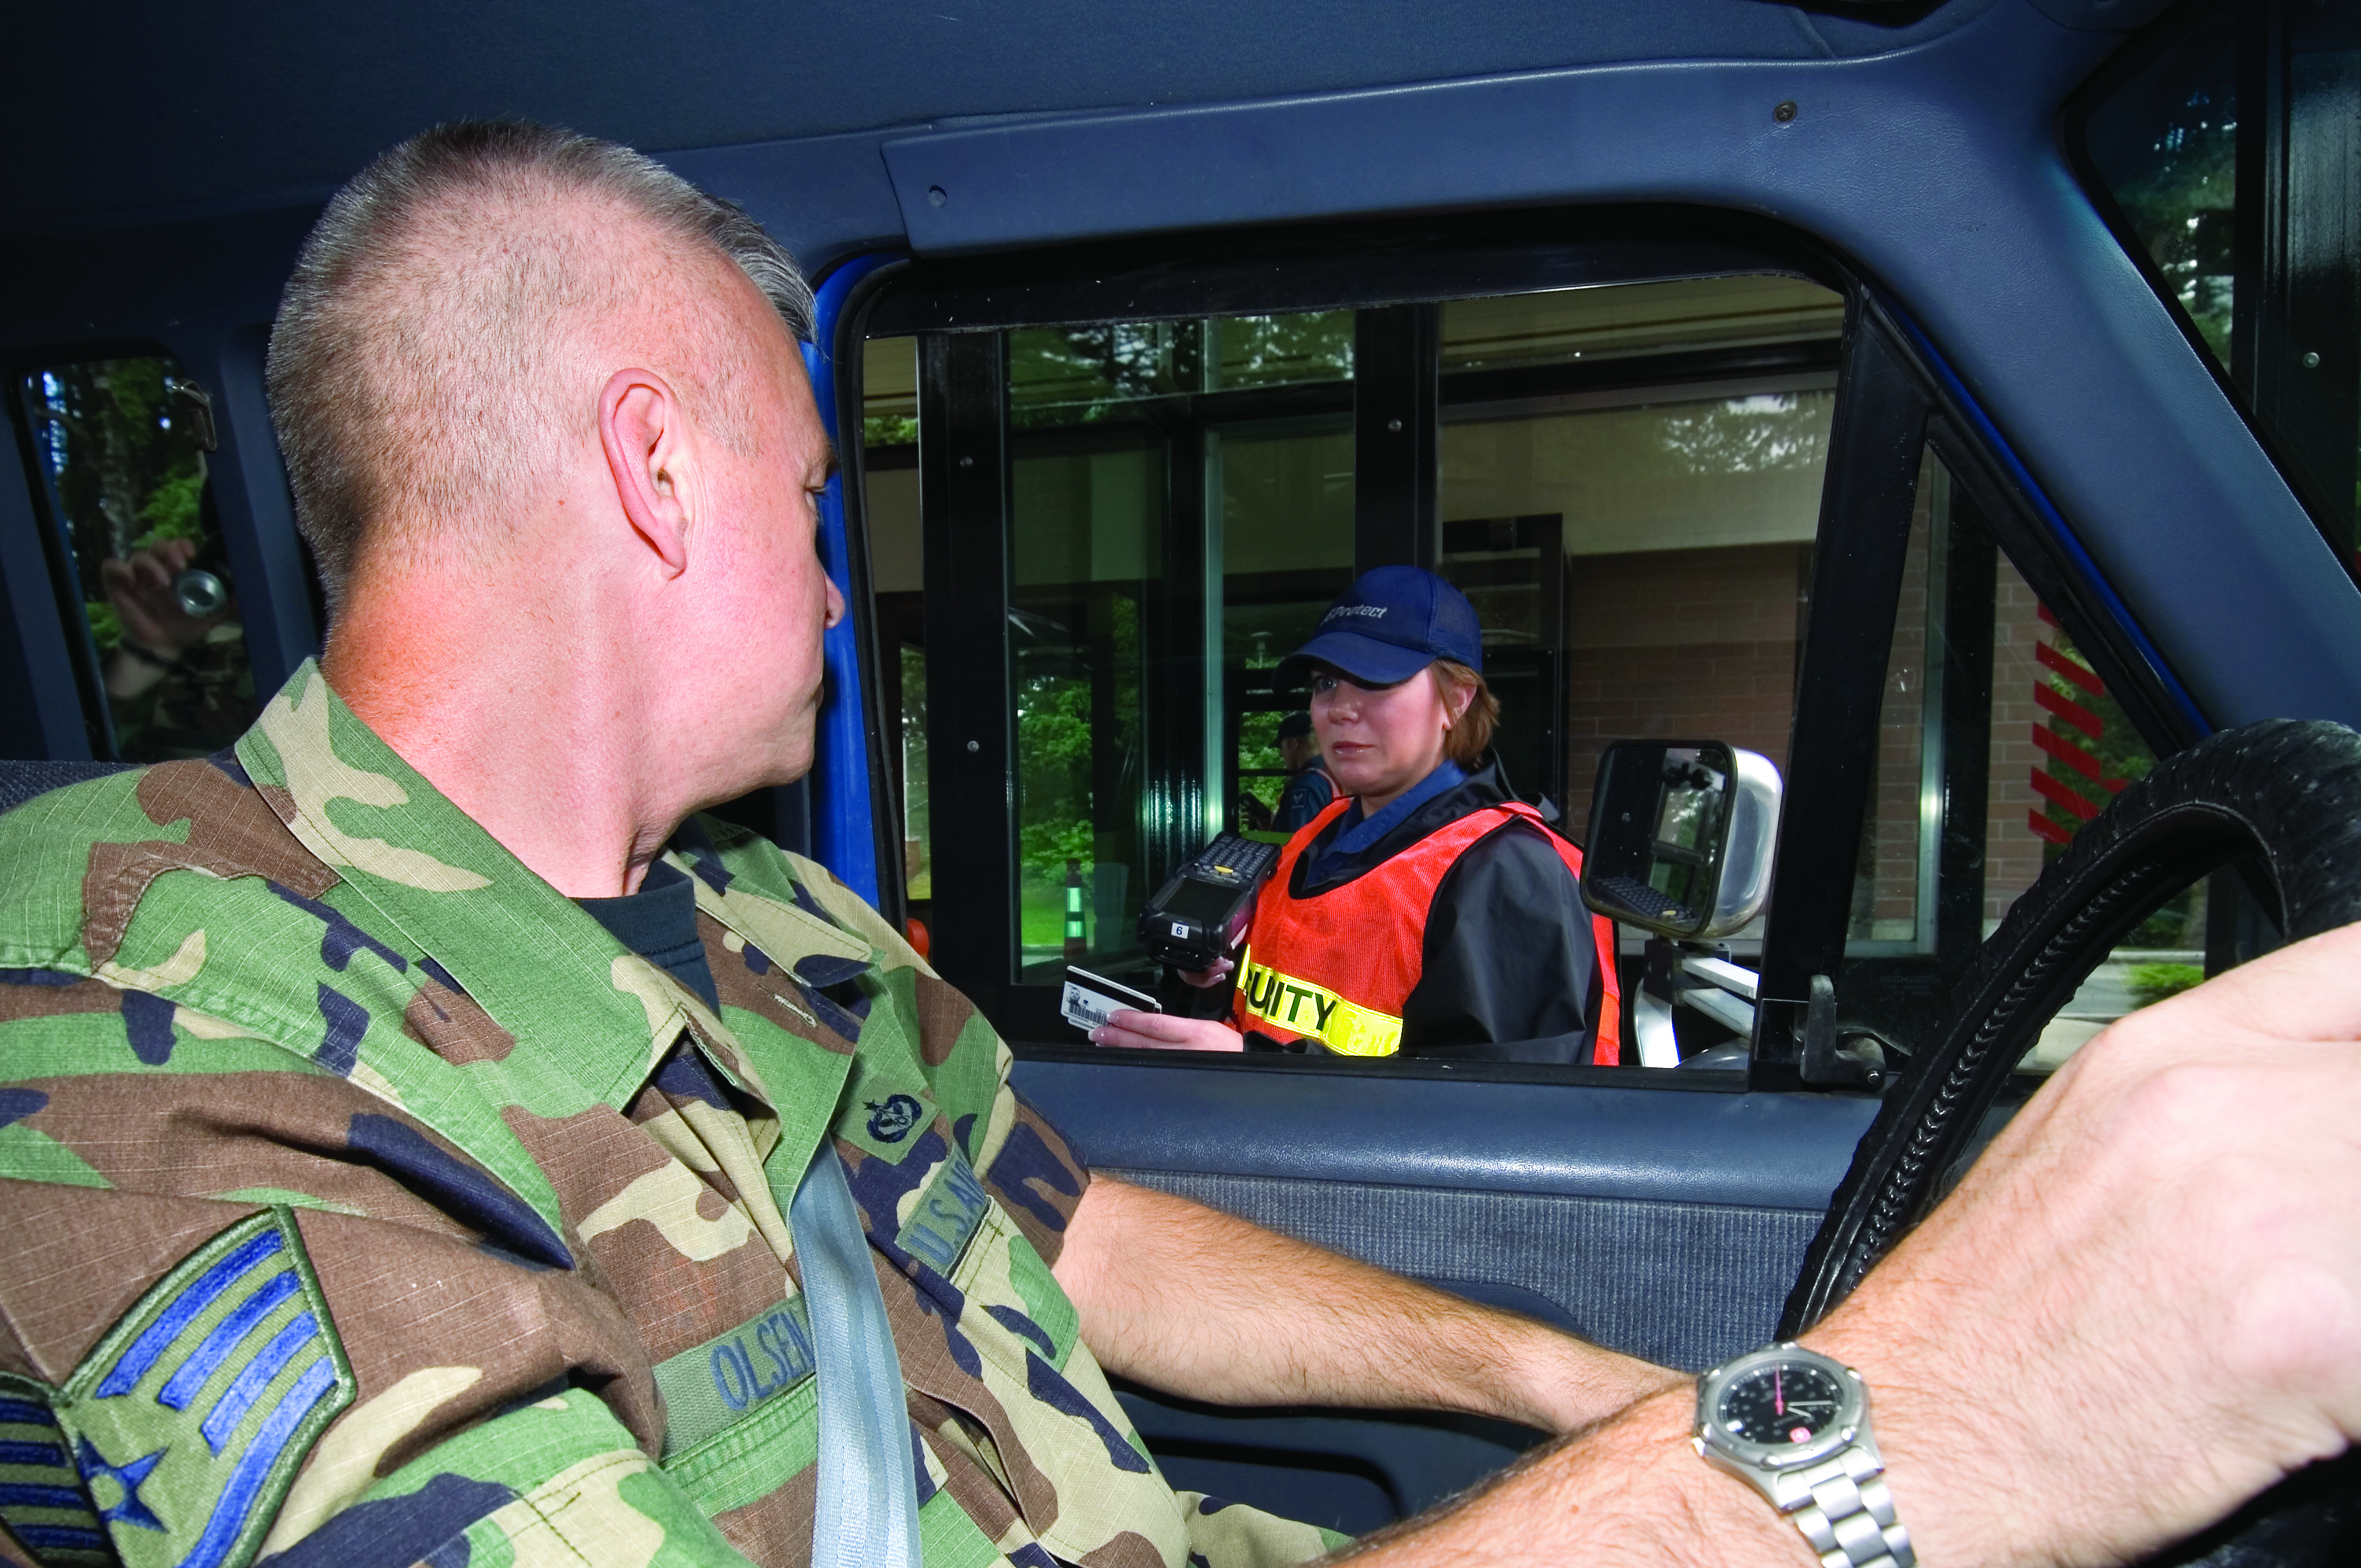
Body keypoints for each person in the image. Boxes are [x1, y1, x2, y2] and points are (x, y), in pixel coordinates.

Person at [1, 122, 2355, 1568]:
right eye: (816, 514)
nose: (837, 595)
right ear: (653, 466)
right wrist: (1882, 1445)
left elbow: (1069, 1224)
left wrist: (1557, 1384)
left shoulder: (770, 926)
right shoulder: (146, 983)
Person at [1096, 567, 1622, 1064]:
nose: (1340, 709)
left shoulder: (1509, 875)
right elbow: (1268, 1013)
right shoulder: (1314, 835)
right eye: (1326, 683)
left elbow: (1489, 1123)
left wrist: (1253, 1070)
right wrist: (1207, 987)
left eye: (1375, 681)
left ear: (1456, 701)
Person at [1271, 710, 1336, 832]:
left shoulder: (1304, 785)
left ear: (1293, 744)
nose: (1281, 754)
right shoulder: (1334, 772)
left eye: (1282, 747)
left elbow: (1301, 842)